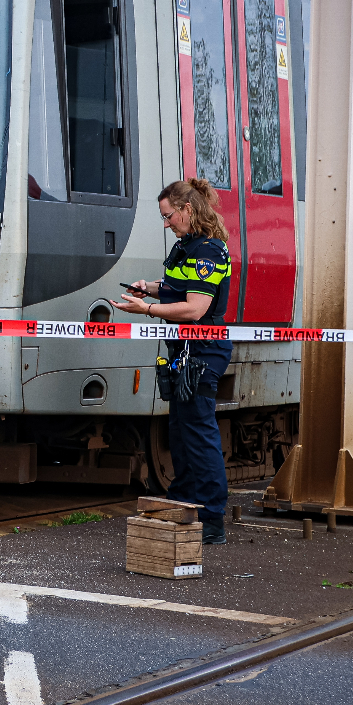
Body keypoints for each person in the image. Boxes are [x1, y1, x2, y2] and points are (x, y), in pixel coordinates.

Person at [113, 179, 234, 545]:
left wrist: (147, 309)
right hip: (183, 351)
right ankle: (182, 503)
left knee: (199, 433)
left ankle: (212, 518)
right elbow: (178, 287)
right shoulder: (187, 247)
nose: (167, 224)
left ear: (188, 210)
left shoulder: (209, 251)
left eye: (169, 216)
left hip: (202, 351)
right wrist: (148, 288)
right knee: (181, 433)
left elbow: (196, 308)